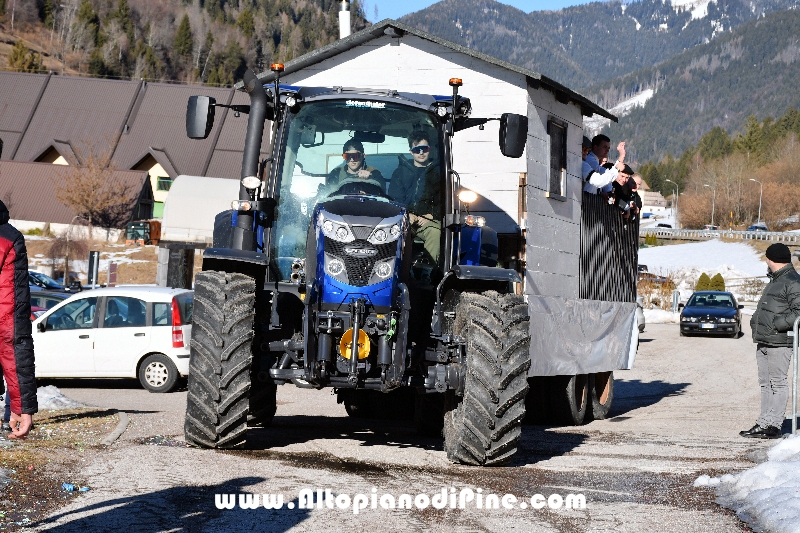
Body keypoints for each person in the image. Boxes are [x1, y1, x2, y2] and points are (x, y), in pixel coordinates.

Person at [742, 243, 800, 439]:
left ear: (770, 259)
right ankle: (764, 422)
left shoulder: (792, 281)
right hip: (765, 339)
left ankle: (775, 425)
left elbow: (799, 313)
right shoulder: (775, 280)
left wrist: (777, 324)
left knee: (778, 383)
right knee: (765, 383)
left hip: (780, 341)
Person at [0, 199, 37, 439]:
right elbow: (11, 334)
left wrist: (21, 406)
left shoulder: (9, 239)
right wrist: (21, 406)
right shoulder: (9, 239)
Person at [388, 131, 442, 264]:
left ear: (430, 149)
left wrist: (432, 215)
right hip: (406, 219)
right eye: (417, 149)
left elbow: (444, 200)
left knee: (435, 232)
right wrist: (406, 215)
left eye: (424, 148)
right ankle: (398, 270)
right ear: (411, 152)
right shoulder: (400, 173)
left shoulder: (439, 172)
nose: (421, 153)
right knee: (395, 233)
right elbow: (394, 199)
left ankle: (430, 273)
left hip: (429, 220)